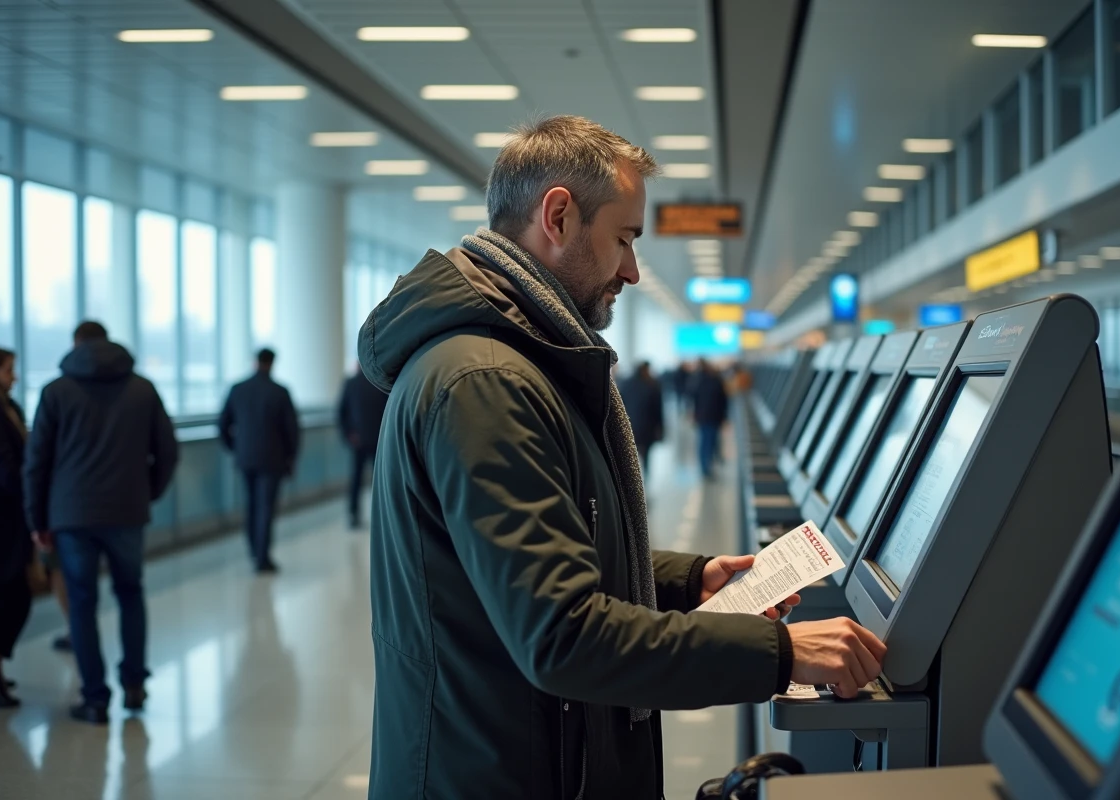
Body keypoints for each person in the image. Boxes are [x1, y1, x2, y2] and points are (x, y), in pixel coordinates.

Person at [359, 115, 885, 799]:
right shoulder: (486, 381)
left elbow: (552, 543)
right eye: (624, 239)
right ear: (557, 215)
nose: (633, 270)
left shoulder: (519, 363)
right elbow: (563, 635)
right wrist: (786, 654)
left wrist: (683, 581)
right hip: (494, 774)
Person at [24, 322, 179, 725]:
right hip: (127, 510)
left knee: (81, 602)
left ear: (76, 345)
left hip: (71, 515)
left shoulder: (55, 391)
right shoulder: (143, 389)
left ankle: (95, 699)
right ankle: (133, 683)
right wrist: (149, 491)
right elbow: (167, 449)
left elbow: (36, 462)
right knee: (130, 593)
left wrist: (37, 519)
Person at [219, 349, 299, 573]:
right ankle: (262, 557)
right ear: (272, 363)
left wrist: (235, 448)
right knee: (266, 507)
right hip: (273, 459)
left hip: (246, 458)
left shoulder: (238, 389)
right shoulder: (280, 392)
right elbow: (291, 429)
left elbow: (222, 424)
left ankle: (254, 550)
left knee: (251, 505)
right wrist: (291, 456)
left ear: (255, 362)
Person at [0, 347, 30, 708]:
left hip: (5, 513)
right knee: (9, 591)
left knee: (7, 591)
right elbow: (2, 464)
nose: (13, 376)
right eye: (8, 370)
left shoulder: (5, 405)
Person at [338, 365, 387, 529]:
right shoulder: (379, 383)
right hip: (376, 440)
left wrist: (348, 434)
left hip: (357, 440)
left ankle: (353, 514)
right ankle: (381, 514)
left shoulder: (350, 383)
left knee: (356, 479)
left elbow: (341, 412)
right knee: (379, 480)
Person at [619, 361, 664, 475]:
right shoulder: (652, 384)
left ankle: (635, 475)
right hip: (645, 426)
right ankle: (640, 474)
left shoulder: (626, 383)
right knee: (642, 452)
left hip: (632, 424)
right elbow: (658, 409)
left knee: (634, 451)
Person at [693, 359, 730, 480]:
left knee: (706, 441)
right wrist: (724, 416)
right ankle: (707, 466)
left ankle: (706, 466)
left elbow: (695, 399)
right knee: (709, 441)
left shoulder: (698, 381)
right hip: (713, 417)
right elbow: (723, 400)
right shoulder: (716, 381)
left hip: (704, 416)